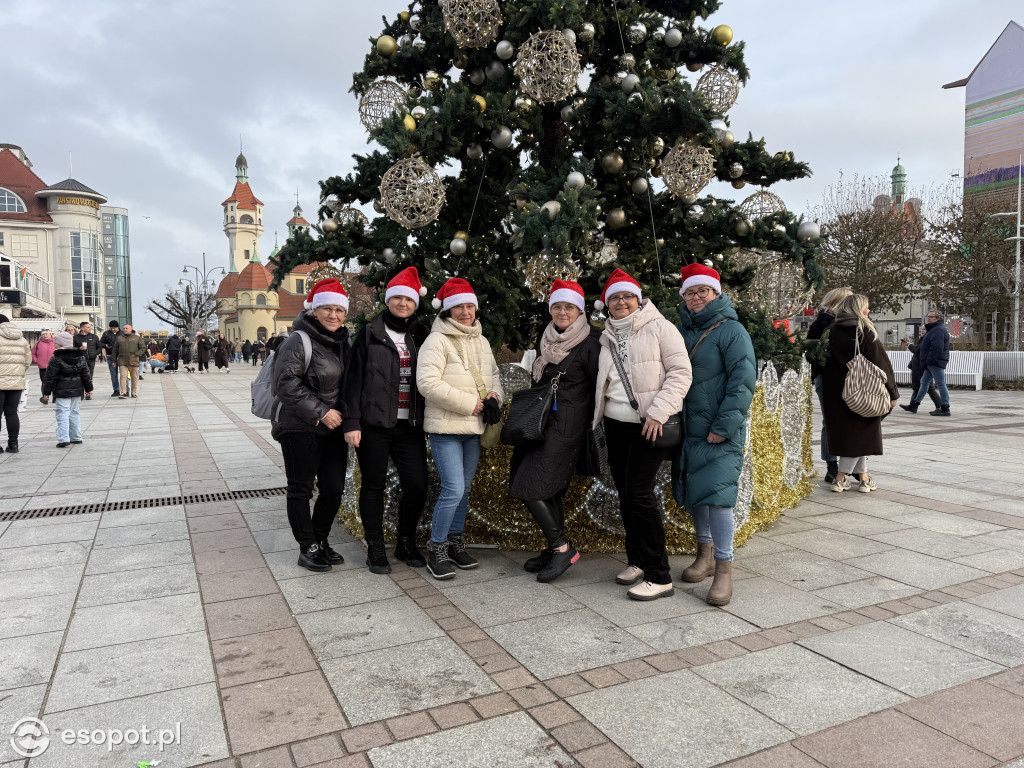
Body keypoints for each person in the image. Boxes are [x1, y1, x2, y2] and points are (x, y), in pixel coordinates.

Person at [592, 268, 691, 601]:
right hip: (615, 424)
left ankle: (659, 574)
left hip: (650, 424)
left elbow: (680, 374)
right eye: (615, 298)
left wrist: (659, 412)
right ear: (607, 304)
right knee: (625, 493)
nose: (621, 302)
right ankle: (637, 559)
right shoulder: (607, 335)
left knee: (639, 494)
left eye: (627, 296)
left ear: (638, 299)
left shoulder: (661, 328)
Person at [672, 265, 756, 607]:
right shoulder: (680, 330)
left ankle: (724, 568)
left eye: (702, 291)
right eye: (690, 292)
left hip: (720, 430)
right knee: (698, 492)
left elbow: (743, 381)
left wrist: (723, 427)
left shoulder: (732, 331)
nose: (695, 297)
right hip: (689, 429)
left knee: (719, 499)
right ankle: (703, 555)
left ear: (716, 294)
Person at [511, 280, 601, 583]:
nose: (563, 312)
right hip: (538, 422)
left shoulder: (591, 343)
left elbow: (598, 388)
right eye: (557, 306)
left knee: (530, 485)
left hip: (567, 426)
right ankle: (554, 548)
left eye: (569, 307)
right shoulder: (546, 338)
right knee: (546, 487)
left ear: (580, 311)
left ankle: (562, 548)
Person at [344, 267, 430, 574]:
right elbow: (352, 382)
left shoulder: (421, 334)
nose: (403, 303)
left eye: (408, 299)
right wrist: (351, 422)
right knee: (373, 486)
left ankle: (406, 542)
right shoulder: (369, 334)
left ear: (414, 303)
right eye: (397, 298)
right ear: (388, 300)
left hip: (410, 427)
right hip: (374, 425)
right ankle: (375, 547)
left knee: (418, 486)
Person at [417, 278, 504, 580]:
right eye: (459, 307)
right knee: (453, 488)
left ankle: (456, 542)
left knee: (464, 489)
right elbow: (427, 383)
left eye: (469, 306)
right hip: (446, 429)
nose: (465, 312)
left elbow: (493, 375)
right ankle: (437, 547)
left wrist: (494, 396)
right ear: (447, 311)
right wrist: (473, 404)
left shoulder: (480, 340)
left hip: (474, 428)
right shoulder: (436, 341)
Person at [272, 279, 352, 572]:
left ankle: (321, 539)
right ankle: (307, 546)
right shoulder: (298, 341)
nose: (333, 315)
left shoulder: (343, 342)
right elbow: (285, 384)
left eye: (339, 310)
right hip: (300, 427)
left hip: (333, 428)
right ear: (313, 311)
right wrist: (321, 412)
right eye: (327, 309)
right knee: (301, 489)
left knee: (333, 488)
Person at [821, 294, 899, 493]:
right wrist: (893, 393)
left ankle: (863, 478)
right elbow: (882, 364)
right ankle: (840, 478)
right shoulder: (864, 330)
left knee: (853, 435)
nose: (869, 310)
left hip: (834, 392)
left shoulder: (829, 331)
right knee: (859, 434)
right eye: (867, 307)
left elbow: (820, 360)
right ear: (858, 309)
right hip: (863, 391)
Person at [806, 287, 852, 484]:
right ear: (838, 301)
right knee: (830, 421)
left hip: (849, 377)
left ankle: (853, 465)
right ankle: (831, 465)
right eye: (850, 299)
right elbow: (812, 351)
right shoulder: (822, 323)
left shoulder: (853, 322)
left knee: (852, 421)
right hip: (827, 377)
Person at [40, 332, 92, 447]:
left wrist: (46, 392)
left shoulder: (56, 358)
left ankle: (63, 439)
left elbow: (49, 377)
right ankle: (76, 437)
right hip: (77, 389)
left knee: (62, 413)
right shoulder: (81, 356)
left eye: (56, 343)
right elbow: (86, 374)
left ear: (61, 343)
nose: (54, 344)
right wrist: (88, 389)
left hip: (62, 390)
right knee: (74, 412)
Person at [902, 309, 951, 417]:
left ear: (937, 318)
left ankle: (945, 408)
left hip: (934, 362)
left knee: (941, 383)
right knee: (924, 383)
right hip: (930, 362)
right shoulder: (933, 329)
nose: (928, 318)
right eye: (928, 316)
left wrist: (928, 361)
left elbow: (937, 348)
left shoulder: (938, 330)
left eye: (931, 317)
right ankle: (915, 404)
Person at [0, 314, 32, 454]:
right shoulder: (22, 339)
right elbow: (27, 361)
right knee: (12, 413)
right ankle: (13, 444)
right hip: (16, 382)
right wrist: (18, 373)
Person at [900, 328, 941, 413]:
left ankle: (940, 406)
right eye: (920, 330)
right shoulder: (923, 339)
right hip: (918, 365)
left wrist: (910, 346)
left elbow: (917, 351)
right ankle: (913, 406)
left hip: (921, 366)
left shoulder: (926, 339)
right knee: (917, 387)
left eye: (924, 330)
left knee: (929, 387)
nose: (921, 331)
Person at [114, 324, 146, 399]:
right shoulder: (119, 338)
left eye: (127, 328)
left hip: (134, 361)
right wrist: (114, 360)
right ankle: (123, 393)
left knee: (134, 377)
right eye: (124, 328)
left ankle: (133, 392)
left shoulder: (137, 338)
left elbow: (143, 348)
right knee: (123, 377)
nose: (125, 329)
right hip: (122, 361)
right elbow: (115, 349)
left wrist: (136, 354)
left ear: (131, 329)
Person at [73, 321, 101, 399]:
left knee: (89, 377)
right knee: (80, 377)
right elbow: (72, 348)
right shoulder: (76, 337)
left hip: (91, 360)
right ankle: (80, 393)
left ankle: (88, 393)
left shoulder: (94, 337)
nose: (90, 328)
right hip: (80, 360)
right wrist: (79, 348)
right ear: (82, 328)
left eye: (90, 327)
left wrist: (95, 353)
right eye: (88, 327)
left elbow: (99, 347)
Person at [100, 321, 122, 396]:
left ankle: (125, 390)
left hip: (121, 356)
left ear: (118, 327)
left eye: (114, 328)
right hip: (110, 355)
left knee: (124, 374)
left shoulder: (122, 334)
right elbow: (100, 343)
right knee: (113, 374)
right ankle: (116, 390)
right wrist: (105, 345)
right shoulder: (106, 333)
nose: (113, 330)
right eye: (111, 328)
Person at [31, 331, 56, 396]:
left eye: (47, 334)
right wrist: (36, 361)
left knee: (54, 382)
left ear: (50, 334)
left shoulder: (55, 343)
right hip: (42, 367)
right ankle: (45, 396)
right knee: (44, 383)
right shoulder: (38, 343)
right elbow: (33, 353)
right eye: (43, 334)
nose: (45, 335)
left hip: (53, 366)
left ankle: (55, 397)